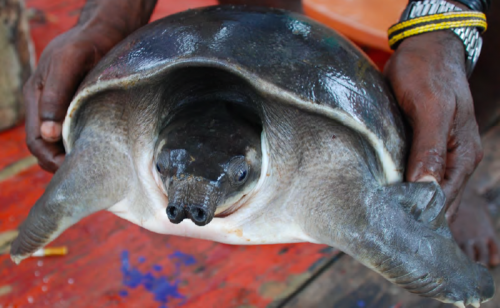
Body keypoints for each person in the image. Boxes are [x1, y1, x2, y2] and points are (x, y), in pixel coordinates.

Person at [23, 0, 496, 263]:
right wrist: (108, 16)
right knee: (253, 12)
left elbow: (450, 31)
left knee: (445, 87)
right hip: (185, 68)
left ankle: (435, 167)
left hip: (316, 137)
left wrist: (447, 28)